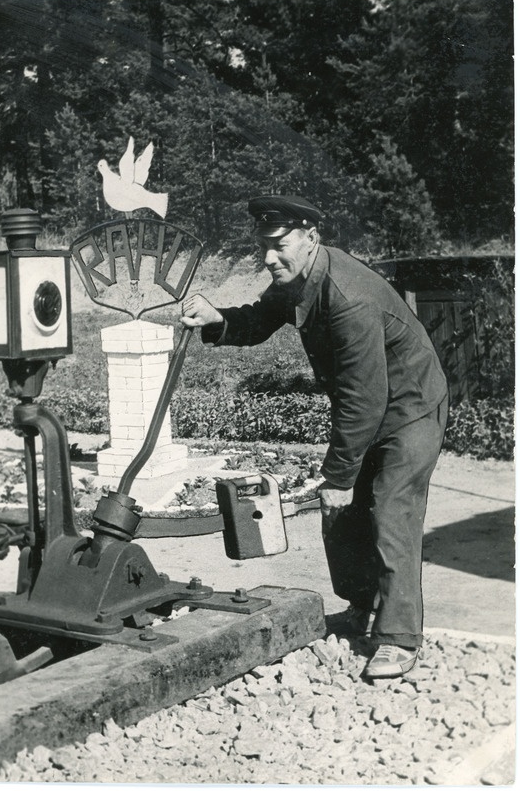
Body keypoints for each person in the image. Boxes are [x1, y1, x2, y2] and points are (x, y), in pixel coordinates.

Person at [181, 195, 448, 679]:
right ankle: (362, 606)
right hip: (372, 405)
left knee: (389, 510)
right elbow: (260, 321)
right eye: (263, 246)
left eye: (278, 246)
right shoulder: (298, 278)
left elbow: (364, 399)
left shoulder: (348, 297)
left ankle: (399, 637)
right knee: (343, 512)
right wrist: (217, 318)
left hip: (411, 408)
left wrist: (341, 477)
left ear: (311, 238)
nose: (268, 258)